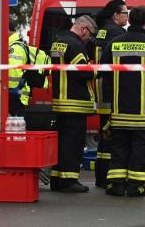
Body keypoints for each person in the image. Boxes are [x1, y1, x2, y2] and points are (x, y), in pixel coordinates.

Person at [101, 7, 145, 197]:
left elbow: (103, 75)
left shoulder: (113, 44)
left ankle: (116, 185)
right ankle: (136, 186)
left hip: (119, 111)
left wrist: (107, 105)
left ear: (130, 20)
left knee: (118, 149)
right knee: (139, 150)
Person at [49, 15, 98, 192]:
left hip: (60, 101)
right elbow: (82, 73)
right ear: (84, 29)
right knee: (73, 144)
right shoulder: (76, 45)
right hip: (74, 102)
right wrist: (95, 70)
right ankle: (69, 181)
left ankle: (57, 179)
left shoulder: (58, 42)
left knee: (61, 143)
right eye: (90, 35)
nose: (90, 39)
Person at [91, 0, 128, 187]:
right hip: (112, 91)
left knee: (104, 135)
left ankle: (100, 176)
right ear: (115, 15)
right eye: (125, 12)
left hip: (101, 91)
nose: (127, 17)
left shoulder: (101, 31)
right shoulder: (118, 33)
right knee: (112, 136)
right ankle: (107, 177)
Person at [8, 22, 50, 119]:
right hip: (18, 97)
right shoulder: (17, 45)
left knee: (16, 130)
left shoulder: (15, 48)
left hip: (15, 98)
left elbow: (13, 77)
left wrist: (7, 94)